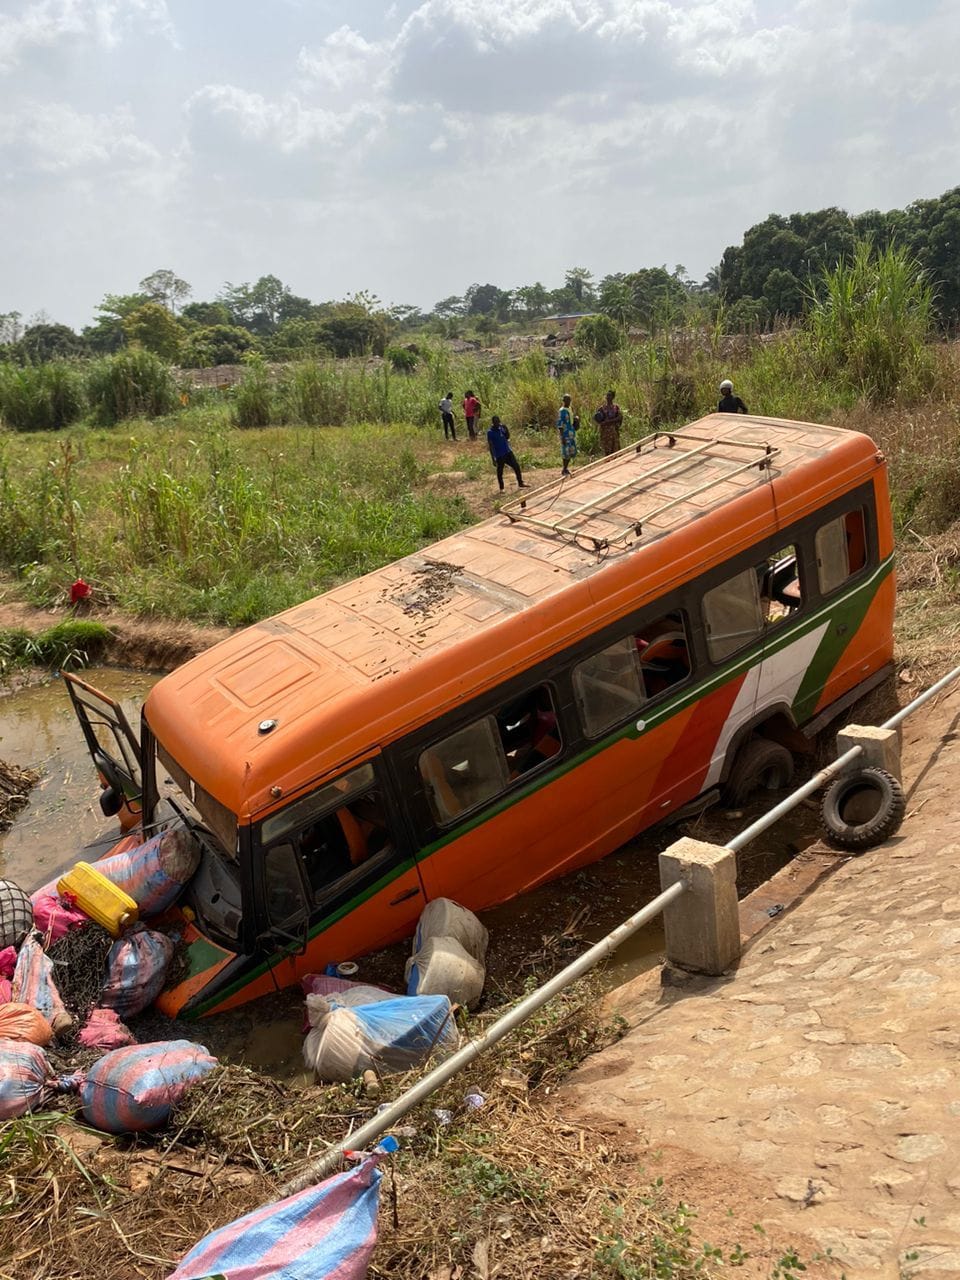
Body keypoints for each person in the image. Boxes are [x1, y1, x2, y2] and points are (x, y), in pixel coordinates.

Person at [487, 415, 526, 491]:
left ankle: (520, 483)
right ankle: (501, 488)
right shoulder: (490, 432)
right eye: (496, 422)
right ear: (493, 423)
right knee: (500, 471)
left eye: (498, 422)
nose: (498, 423)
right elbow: (490, 446)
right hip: (499, 454)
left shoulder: (501, 428)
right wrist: (493, 458)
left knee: (516, 466)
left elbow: (507, 437)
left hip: (508, 451)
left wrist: (506, 429)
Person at [594, 389, 623, 455]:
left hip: (614, 432)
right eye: (607, 395)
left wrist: (609, 422)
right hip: (605, 433)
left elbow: (620, 418)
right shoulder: (602, 408)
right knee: (607, 450)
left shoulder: (616, 407)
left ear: (613, 397)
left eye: (609, 395)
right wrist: (602, 423)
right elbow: (597, 418)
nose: (607, 397)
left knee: (615, 449)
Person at [557, 394, 578, 477]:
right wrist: (562, 437)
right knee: (566, 451)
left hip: (571, 432)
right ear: (564, 401)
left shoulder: (570, 409)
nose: (568, 402)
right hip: (565, 434)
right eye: (566, 400)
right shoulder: (562, 411)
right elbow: (560, 425)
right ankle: (564, 469)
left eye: (569, 400)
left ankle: (566, 468)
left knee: (570, 450)